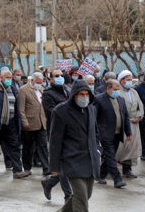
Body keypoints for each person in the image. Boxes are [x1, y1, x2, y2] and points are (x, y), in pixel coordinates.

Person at [49, 80, 101, 212]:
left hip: (90, 160)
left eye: (86, 94)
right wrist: (54, 166)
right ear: (74, 96)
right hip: (72, 160)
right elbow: (55, 141)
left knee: (84, 195)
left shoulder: (92, 109)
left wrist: (98, 151)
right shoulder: (60, 112)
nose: (84, 97)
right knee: (81, 201)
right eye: (81, 94)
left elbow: (95, 133)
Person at [0, 68, 28, 179]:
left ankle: (17, 170)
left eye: (10, 78)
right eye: (7, 78)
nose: (9, 80)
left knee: (14, 146)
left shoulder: (12, 89)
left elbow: (16, 105)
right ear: (1, 78)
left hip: (10, 123)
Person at [41, 70, 72, 202]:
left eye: (62, 76)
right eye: (57, 76)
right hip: (56, 133)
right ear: (51, 79)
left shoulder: (68, 91)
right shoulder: (48, 94)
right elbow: (52, 112)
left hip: (71, 132)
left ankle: (50, 182)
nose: (60, 78)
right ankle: (68, 195)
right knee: (63, 164)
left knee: (68, 164)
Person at [94, 79, 131, 188]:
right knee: (111, 157)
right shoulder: (99, 99)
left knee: (110, 156)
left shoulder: (121, 99)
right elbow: (94, 118)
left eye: (118, 89)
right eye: (115, 89)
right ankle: (117, 179)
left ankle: (100, 175)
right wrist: (97, 133)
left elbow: (126, 117)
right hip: (105, 134)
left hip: (117, 134)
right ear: (108, 88)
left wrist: (128, 132)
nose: (117, 91)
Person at [18, 72, 50, 176]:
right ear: (32, 80)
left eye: (41, 82)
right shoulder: (23, 90)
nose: (39, 84)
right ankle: (27, 168)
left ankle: (46, 167)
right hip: (29, 124)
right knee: (28, 147)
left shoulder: (42, 90)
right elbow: (21, 109)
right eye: (38, 82)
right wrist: (24, 122)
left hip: (41, 123)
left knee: (43, 146)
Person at [117, 70, 144, 178]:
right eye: (127, 80)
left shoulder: (134, 92)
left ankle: (127, 169)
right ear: (121, 81)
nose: (129, 82)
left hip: (134, 124)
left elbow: (140, 106)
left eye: (130, 80)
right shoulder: (118, 92)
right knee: (123, 147)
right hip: (123, 124)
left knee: (132, 147)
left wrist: (139, 117)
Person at [135, 73, 145, 160]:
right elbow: (136, 103)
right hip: (143, 116)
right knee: (143, 135)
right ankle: (143, 153)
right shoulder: (138, 89)